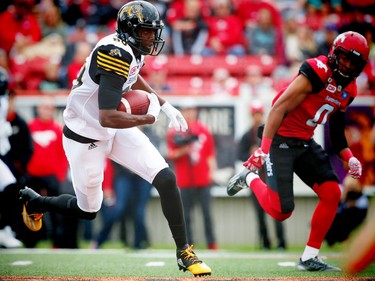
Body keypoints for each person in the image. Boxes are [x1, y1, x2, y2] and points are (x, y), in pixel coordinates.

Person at [19, 1, 211, 276]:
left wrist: (164, 104)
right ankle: (36, 202)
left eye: (151, 31)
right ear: (130, 30)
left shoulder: (130, 48)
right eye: (145, 31)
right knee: (88, 210)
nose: (150, 37)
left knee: (166, 178)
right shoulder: (113, 52)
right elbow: (107, 116)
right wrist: (148, 118)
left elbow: (132, 76)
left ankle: (184, 252)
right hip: (85, 136)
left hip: (112, 128)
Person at [227, 31, 369, 271]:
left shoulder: (351, 89)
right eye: (343, 57)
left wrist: (350, 157)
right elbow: (277, 108)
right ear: (335, 53)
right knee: (282, 212)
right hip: (280, 139)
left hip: (303, 141)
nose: (346, 64)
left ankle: (309, 257)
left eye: (352, 61)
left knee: (332, 192)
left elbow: (336, 134)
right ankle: (248, 178)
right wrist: (264, 149)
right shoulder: (318, 71)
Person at [166, 102, 218, 250]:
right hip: (184, 180)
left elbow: (210, 154)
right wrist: (185, 148)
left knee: (207, 213)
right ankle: (189, 243)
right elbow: (171, 154)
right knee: (186, 215)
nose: (190, 112)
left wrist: (211, 172)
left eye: (192, 109)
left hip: (203, 179)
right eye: (187, 109)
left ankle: (211, 243)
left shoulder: (203, 130)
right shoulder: (175, 131)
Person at [237, 100, 286, 250]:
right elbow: (239, 154)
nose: (257, 117)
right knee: (260, 214)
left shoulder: (270, 131)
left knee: (277, 210)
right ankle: (265, 243)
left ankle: (281, 242)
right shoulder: (247, 135)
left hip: (271, 178)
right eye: (254, 114)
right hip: (257, 180)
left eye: (259, 113)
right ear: (251, 115)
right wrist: (250, 154)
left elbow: (279, 151)